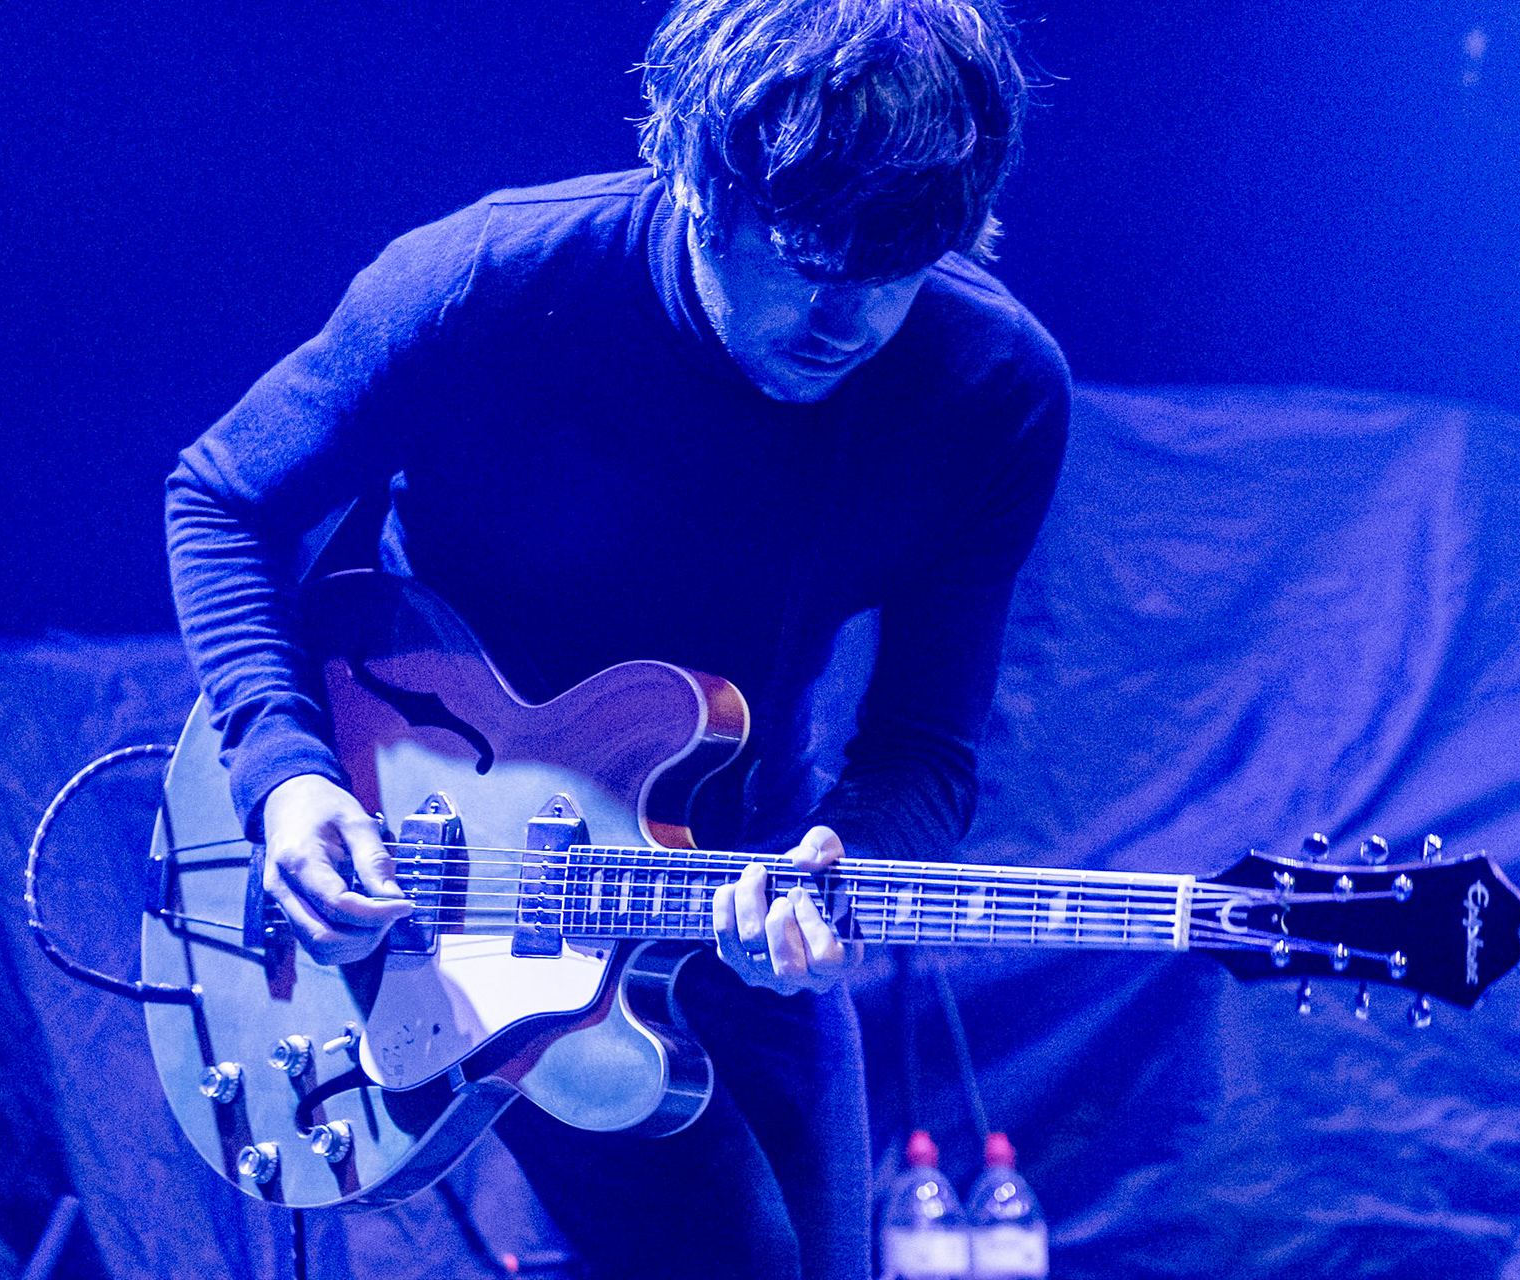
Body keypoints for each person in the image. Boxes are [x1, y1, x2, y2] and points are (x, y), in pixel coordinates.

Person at [165, 0, 1068, 1274]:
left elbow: (925, 748)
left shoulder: (991, 391)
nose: (851, 323)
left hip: (741, 870)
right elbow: (222, 494)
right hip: (431, 851)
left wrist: (847, 864)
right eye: (810, 262)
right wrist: (287, 774)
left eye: (899, 275)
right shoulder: (490, 280)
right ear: (700, 175)